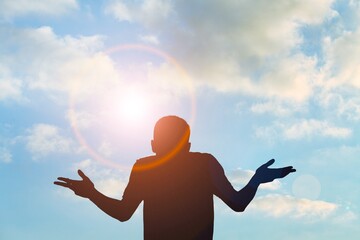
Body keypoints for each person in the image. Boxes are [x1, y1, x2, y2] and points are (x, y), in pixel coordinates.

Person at [54, 115, 296, 240]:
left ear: (152, 144)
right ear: (188, 145)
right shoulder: (204, 163)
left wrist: (92, 193)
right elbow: (238, 204)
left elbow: (122, 213)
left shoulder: (144, 168)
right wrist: (256, 180)